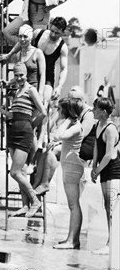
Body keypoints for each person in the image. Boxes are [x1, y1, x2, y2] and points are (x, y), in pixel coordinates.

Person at [0, 62, 46, 218]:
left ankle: (35, 201)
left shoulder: (31, 90)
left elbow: (43, 112)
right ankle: (24, 206)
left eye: (21, 75)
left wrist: (31, 125)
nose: (19, 78)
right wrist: (5, 112)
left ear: (26, 75)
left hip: (24, 134)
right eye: (16, 75)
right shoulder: (18, 91)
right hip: (13, 133)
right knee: (22, 172)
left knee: (14, 172)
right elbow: (16, 114)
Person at [34, 86, 95, 197]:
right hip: (70, 141)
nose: (69, 104)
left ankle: (45, 183)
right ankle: (37, 183)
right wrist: (44, 135)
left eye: (72, 101)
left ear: (79, 101)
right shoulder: (73, 108)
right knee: (45, 151)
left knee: (52, 151)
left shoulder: (88, 114)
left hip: (84, 147)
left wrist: (58, 142)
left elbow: (81, 136)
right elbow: (52, 121)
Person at [52, 98, 85, 249]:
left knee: (73, 205)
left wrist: (66, 120)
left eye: (60, 109)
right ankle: (71, 239)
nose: (58, 112)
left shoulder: (76, 126)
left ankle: (72, 241)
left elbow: (59, 135)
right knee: (72, 205)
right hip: (69, 166)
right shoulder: (73, 125)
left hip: (73, 167)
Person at [91, 98, 120, 255]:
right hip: (103, 169)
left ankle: (111, 243)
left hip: (113, 170)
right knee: (106, 205)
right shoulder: (98, 125)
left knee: (111, 208)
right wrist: (94, 165)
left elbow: (109, 155)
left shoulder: (110, 129)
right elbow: (97, 145)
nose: (93, 110)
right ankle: (111, 241)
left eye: (95, 108)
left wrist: (97, 170)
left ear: (103, 112)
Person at [0, 24, 46, 99]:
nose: (22, 39)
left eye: (25, 36)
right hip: (22, 90)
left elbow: (42, 75)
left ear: (30, 38)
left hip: (34, 90)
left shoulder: (38, 53)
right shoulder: (19, 54)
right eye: (20, 36)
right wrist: (9, 83)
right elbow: (19, 74)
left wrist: (40, 93)